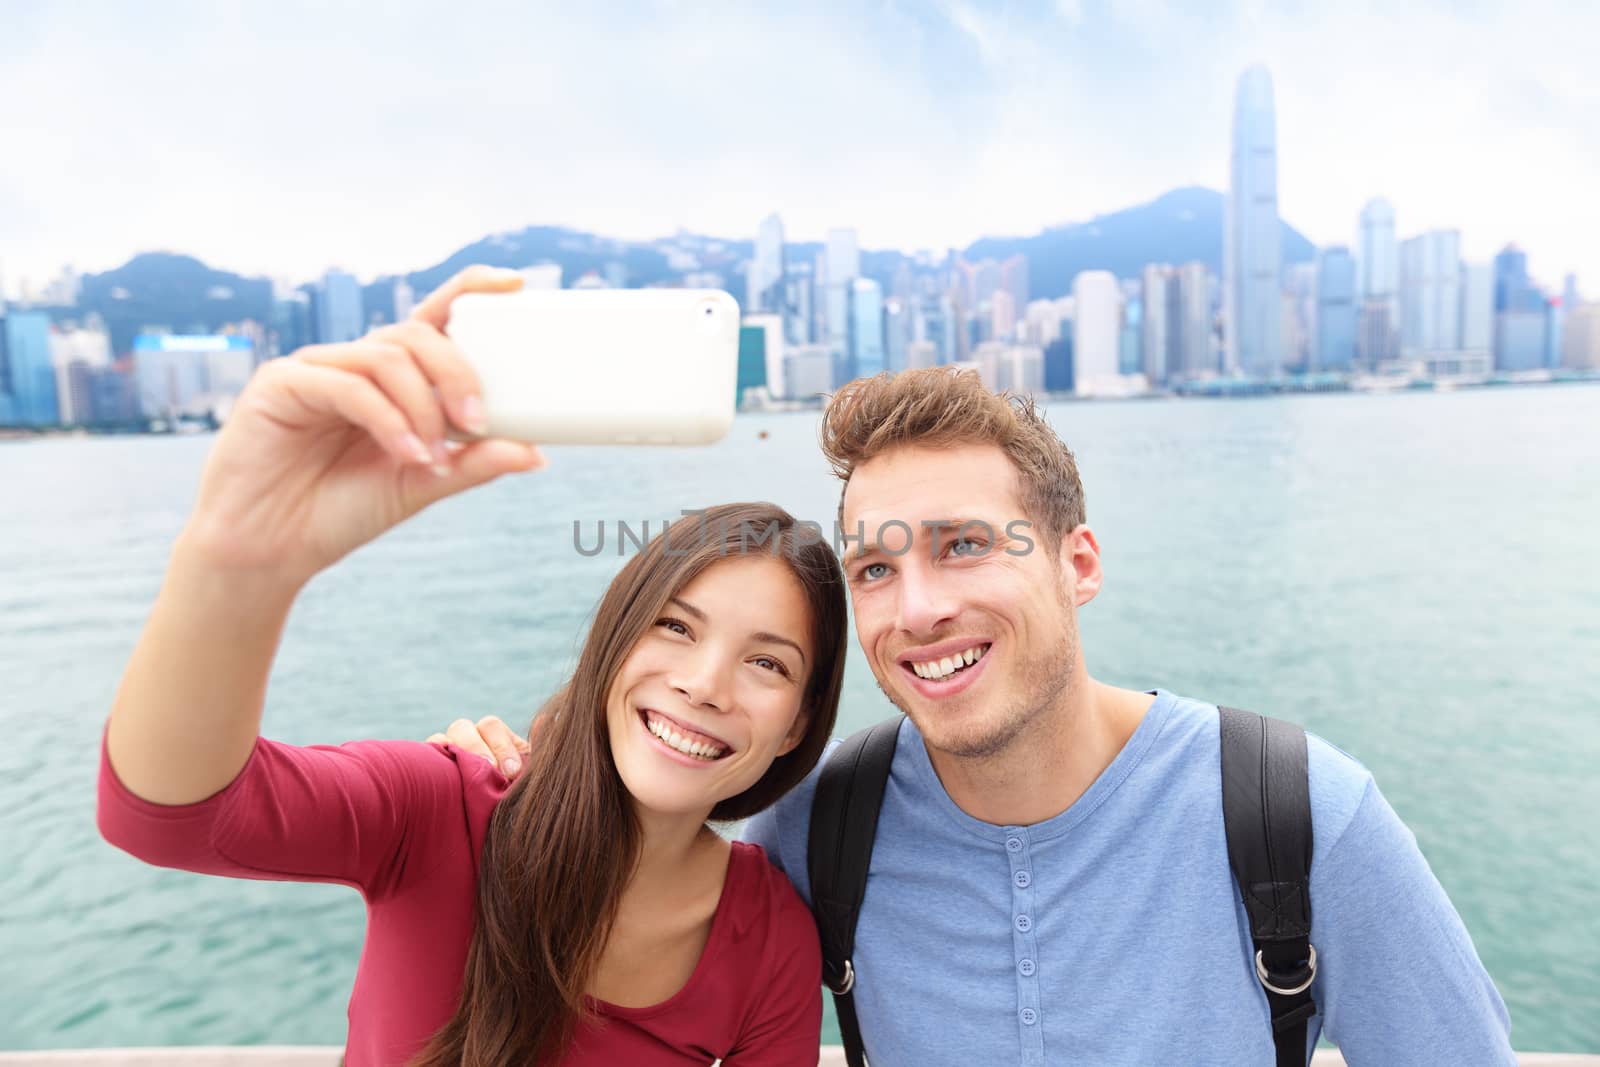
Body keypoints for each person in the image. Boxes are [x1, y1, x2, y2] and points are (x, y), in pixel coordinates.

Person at [451, 367, 1518, 1065]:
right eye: (875, 565)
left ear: (1077, 561)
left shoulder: (1297, 813)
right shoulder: (818, 831)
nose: (918, 608)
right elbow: (633, 890)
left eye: (963, 545)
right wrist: (507, 785)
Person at [96, 266, 849, 1067]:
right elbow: (166, 816)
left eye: (767, 663)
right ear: (614, 641)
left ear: (800, 719)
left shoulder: (770, 932)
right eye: (674, 626)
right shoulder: (443, 806)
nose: (704, 683)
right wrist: (237, 560)